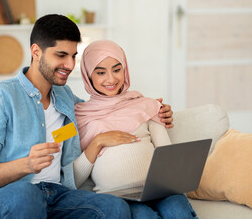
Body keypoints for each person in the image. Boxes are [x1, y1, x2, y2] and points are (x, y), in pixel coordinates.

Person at [0, 14, 173, 218]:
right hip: (8, 197)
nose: (70, 66)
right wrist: (26, 165)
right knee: (26, 196)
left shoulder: (65, 98)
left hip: (58, 196)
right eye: (61, 55)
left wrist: (152, 109)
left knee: (114, 208)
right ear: (36, 52)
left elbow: (105, 111)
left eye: (73, 56)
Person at [74, 40, 197, 219]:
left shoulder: (147, 105)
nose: (111, 79)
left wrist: (167, 180)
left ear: (125, 69)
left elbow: (167, 153)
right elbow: (73, 180)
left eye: (117, 69)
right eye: (100, 72)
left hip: (159, 190)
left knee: (179, 213)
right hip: (118, 197)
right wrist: (98, 141)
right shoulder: (79, 117)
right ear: (88, 75)